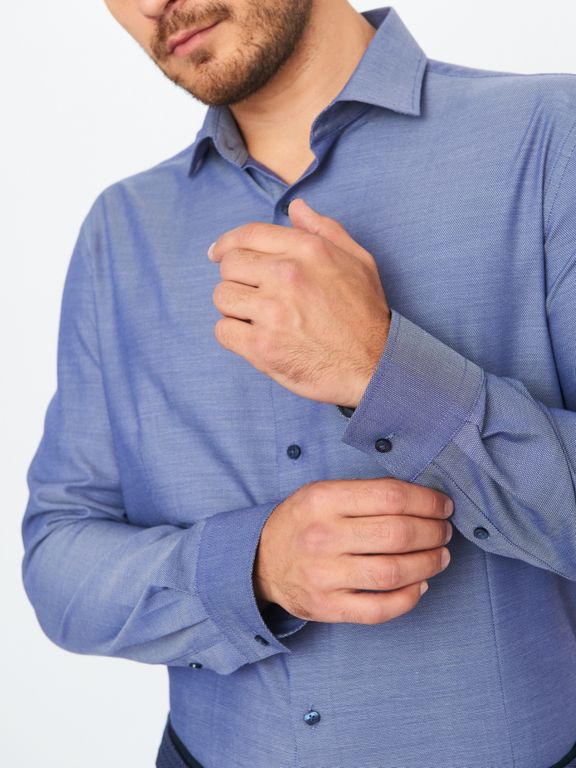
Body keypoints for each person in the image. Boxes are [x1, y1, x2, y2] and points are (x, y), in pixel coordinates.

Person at [20, 1, 576, 766]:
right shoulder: (121, 230)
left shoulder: (552, 139)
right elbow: (59, 559)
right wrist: (252, 569)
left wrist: (382, 370)